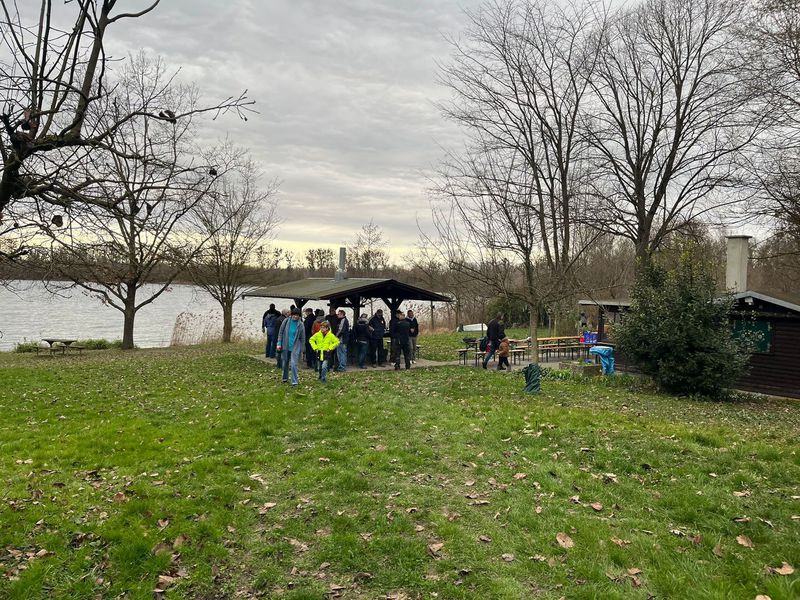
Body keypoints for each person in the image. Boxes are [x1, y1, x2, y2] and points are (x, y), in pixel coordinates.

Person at [276, 307, 306, 385]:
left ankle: (294, 382)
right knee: (285, 363)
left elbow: (303, 338)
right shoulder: (286, 321)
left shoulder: (301, 324)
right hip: (285, 345)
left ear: (299, 316)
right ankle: (285, 378)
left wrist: (303, 349)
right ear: (291, 314)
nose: (295, 316)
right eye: (294, 315)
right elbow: (280, 333)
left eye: (297, 315)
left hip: (295, 347)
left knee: (293, 364)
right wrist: (279, 343)